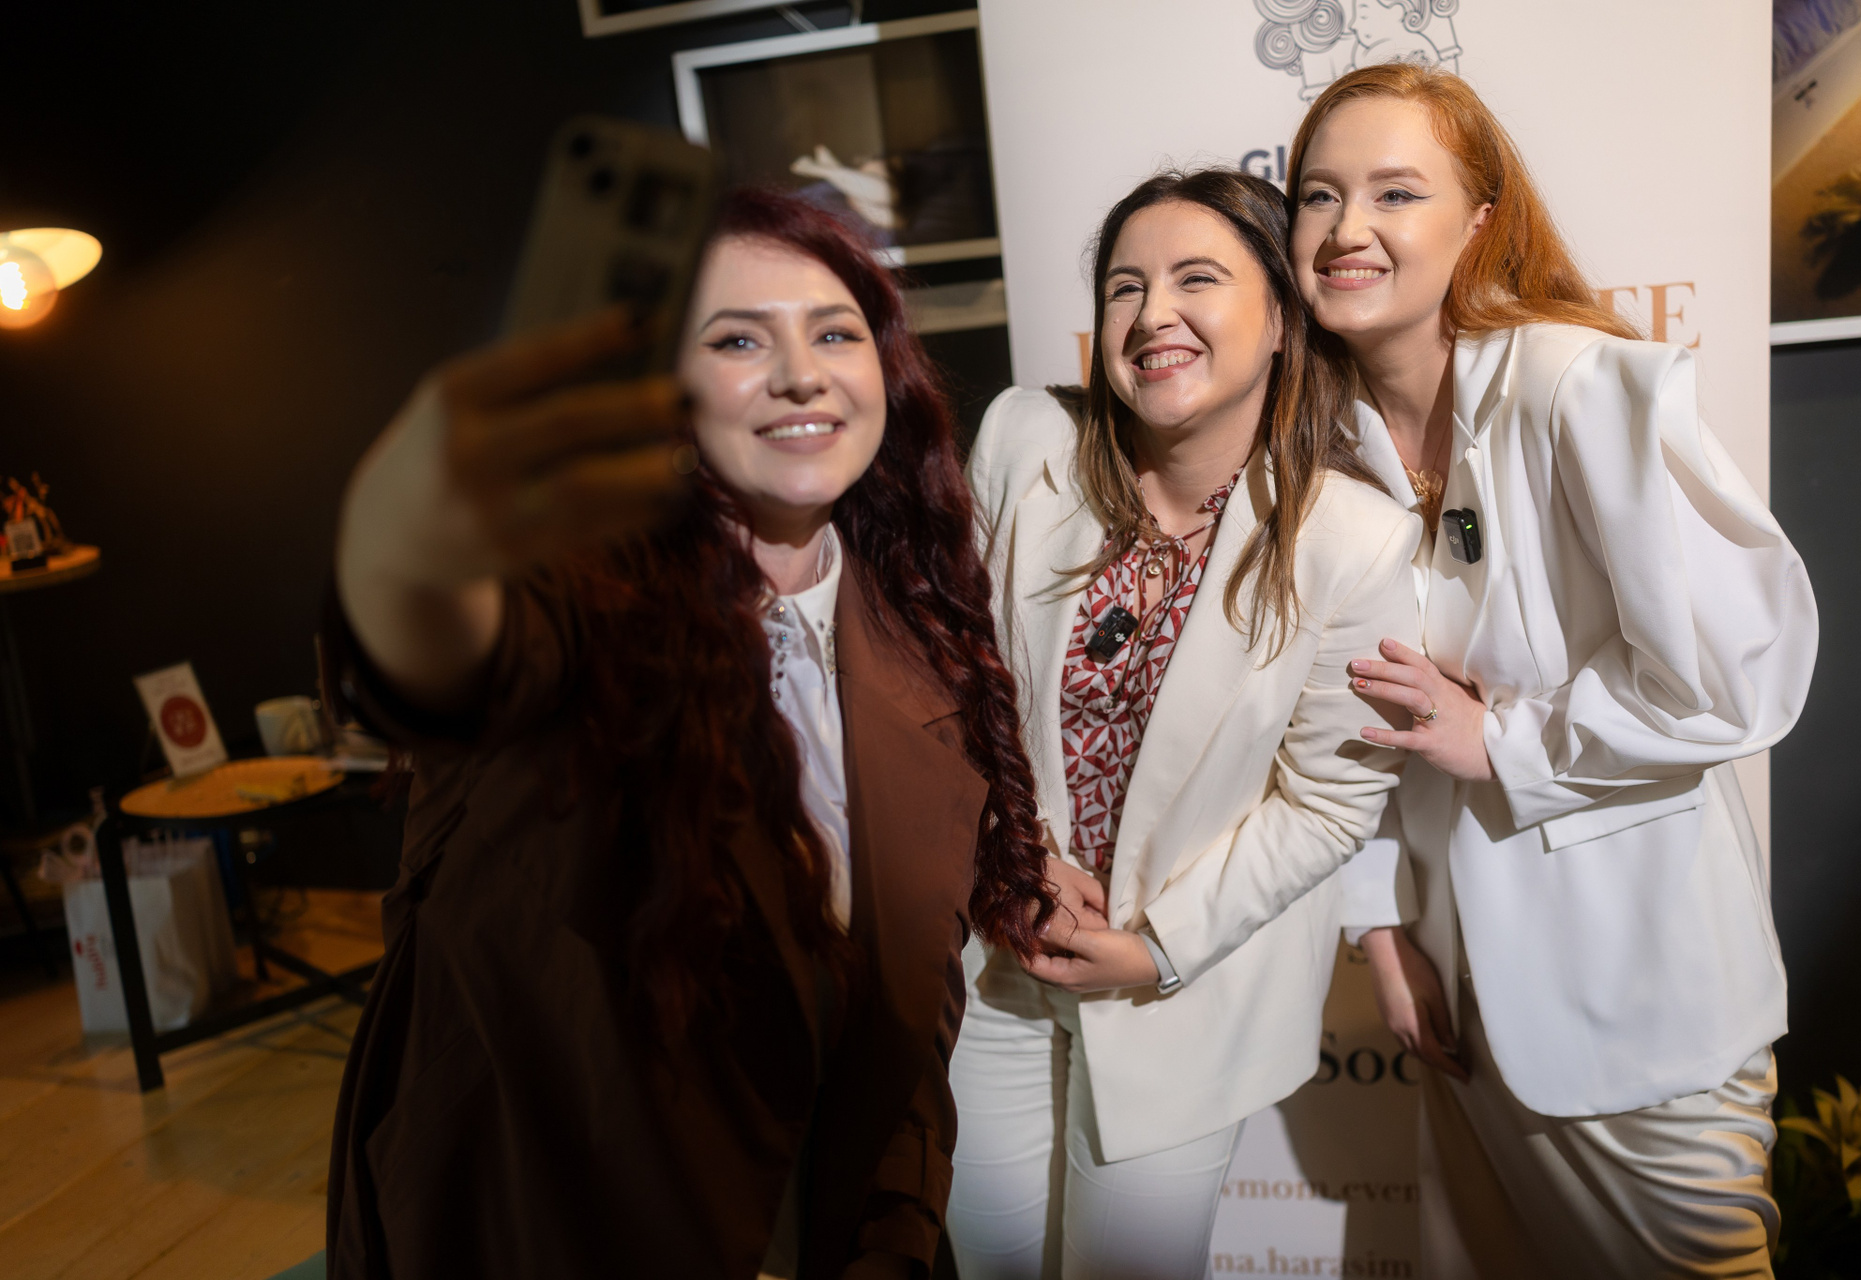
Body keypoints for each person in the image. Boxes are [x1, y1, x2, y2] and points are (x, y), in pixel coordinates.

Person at [322, 187, 1055, 1280]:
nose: (801, 374)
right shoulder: (575, 605)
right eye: (738, 340)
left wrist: (896, 1229)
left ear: (886, 372)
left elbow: (908, 1012)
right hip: (544, 1226)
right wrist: (421, 499)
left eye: (835, 334)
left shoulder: (921, 639)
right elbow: (428, 645)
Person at [1290, 64, 1818, 1279]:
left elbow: (1741, 672)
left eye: (1395, 192)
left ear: (1480, 220)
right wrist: (1378, 927)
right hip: (1459, 1002)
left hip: (1643, 1002)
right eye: (1319, 194)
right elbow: (1338, 717)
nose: (1348, 227)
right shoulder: (1323, 448)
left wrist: (1505, 740)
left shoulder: (1578, 386)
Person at [945, 169, 1423, 1279]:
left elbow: (1328, 804)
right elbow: (948, 677)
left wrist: (1153, 949)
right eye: (1126, 286)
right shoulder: (1024, 439)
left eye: (1196, 279)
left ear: (1282, 321)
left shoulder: (1353, 541)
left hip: (1184, 989)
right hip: (996, 956)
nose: (1154, 312)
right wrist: (1017, 851)